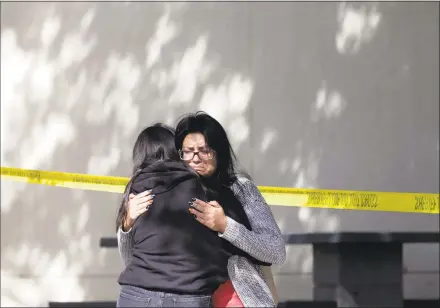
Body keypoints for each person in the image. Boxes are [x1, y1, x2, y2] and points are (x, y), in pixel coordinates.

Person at [119, 112, 286, 307]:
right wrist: (127, 224)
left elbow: (276, 251)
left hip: (234, 298)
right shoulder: (165, 190)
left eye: (204, 150)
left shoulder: (240, 189)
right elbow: (131, 259)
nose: (195, 158)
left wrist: (226, 226)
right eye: (187, 151)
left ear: (219, 152)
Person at [115, 123, 229, 307]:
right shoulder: (202, 185)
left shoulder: (137, 187)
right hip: (190, 293)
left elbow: (128, 258)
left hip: (136, 293)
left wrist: (127, 222)